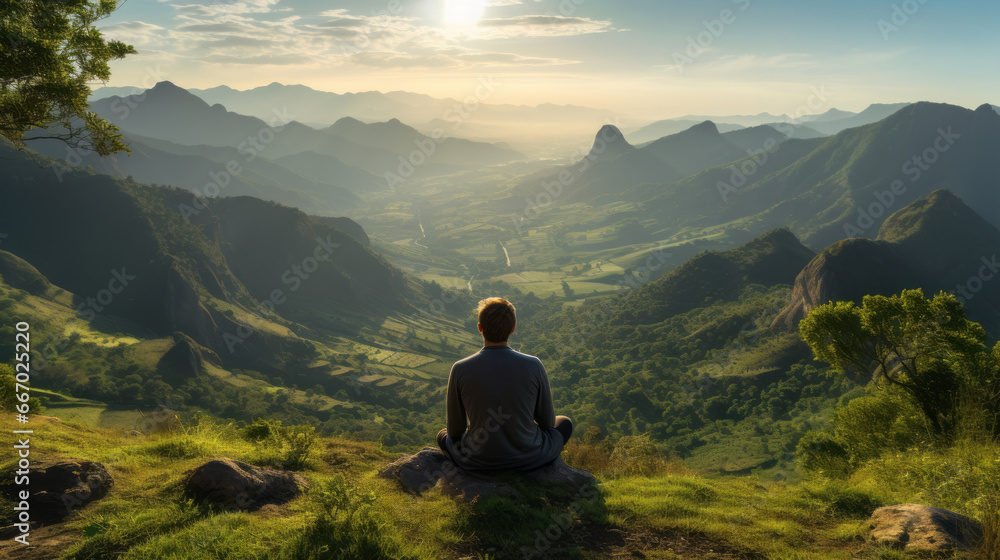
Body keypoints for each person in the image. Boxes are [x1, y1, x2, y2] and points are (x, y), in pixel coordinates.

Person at [436, 297, 573, 471]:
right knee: (564, 423)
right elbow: (546, 422)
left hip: (477, 460)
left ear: (480, 328)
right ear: (513, 328)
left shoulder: (460, 368)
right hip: (530, 457)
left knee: (443, 435)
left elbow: (455, 431)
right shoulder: (534, 365)